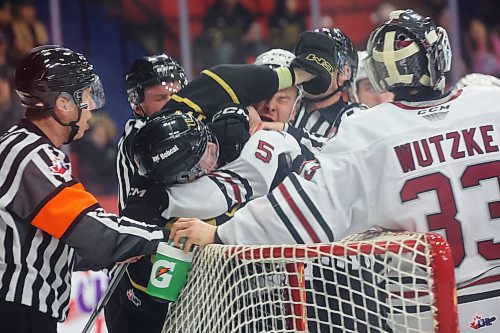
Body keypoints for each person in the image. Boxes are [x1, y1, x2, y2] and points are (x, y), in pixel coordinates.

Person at [170, 9, 500, 332]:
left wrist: (223, 234)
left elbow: (304, 210)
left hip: (424, 309)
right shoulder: (490, 104)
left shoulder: (370, 132)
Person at [0, 45, 170, 333]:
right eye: (87, 95)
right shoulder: (29, 153)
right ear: (63, 103)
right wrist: (160, 237)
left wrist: (125, 248)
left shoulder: (25, 148)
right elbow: (92, 232)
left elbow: (57, 247)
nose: (91, 106)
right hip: (16, 312)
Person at [117, 53, 188, 213]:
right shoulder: (138, 135)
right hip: (149, 229)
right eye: (161, 97)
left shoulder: (192, 120)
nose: (172, 102)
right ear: (137, 105)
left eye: (176, 95)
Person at [292, 28, 366, 138]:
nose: (308, 67)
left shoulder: (355, 118)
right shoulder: (284, 107)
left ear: (344, 73)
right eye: (305, 59)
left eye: (319, 61)